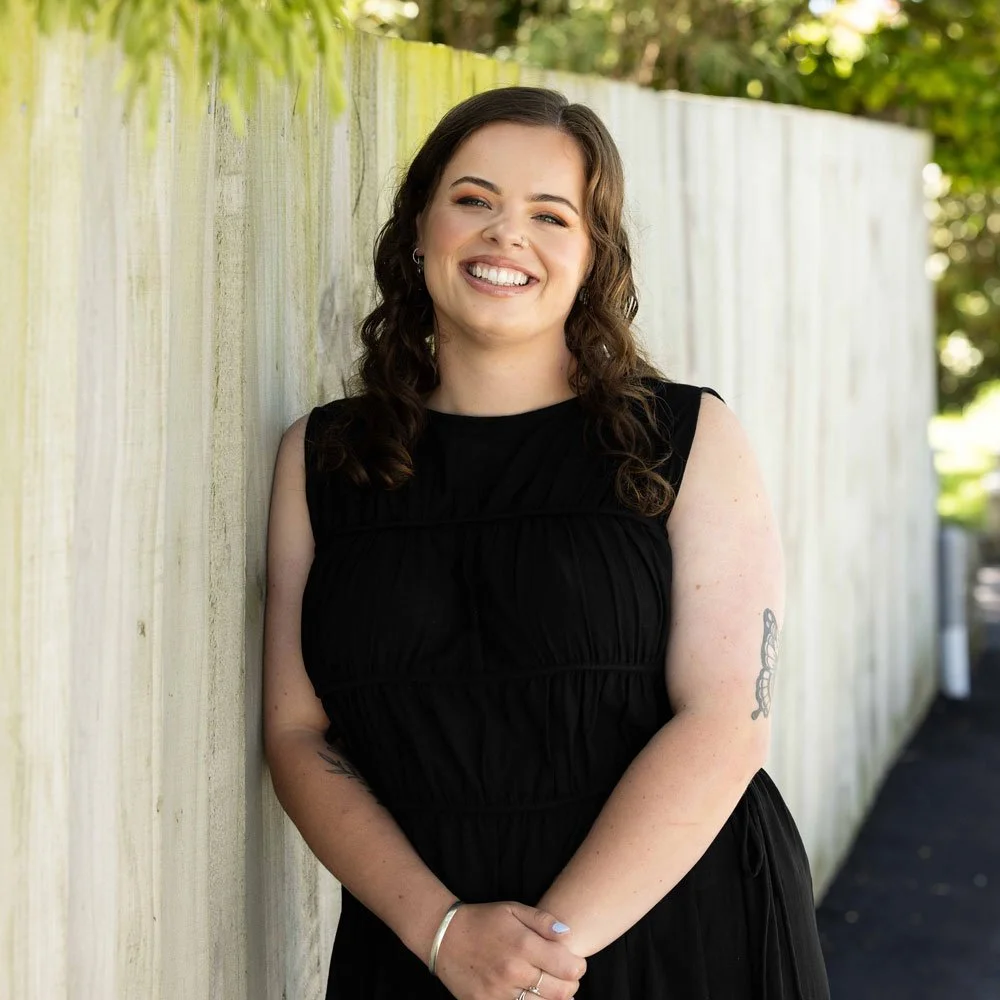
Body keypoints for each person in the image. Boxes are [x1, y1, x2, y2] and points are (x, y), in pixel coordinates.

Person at [263, 86, 831, 999]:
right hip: (422, 946)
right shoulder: (323, 459)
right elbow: (297, 733)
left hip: (672, 929)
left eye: (550, 214)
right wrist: (443, 933)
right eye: (474, 200)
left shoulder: (685, 439)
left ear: (593, 254)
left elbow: (726, 719)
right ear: (419, 227)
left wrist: (539, 957)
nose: (505, 236)